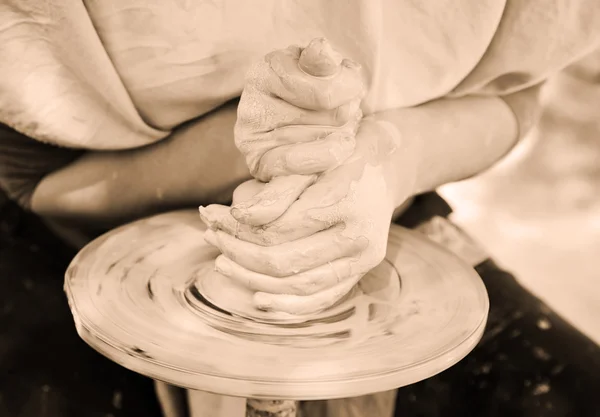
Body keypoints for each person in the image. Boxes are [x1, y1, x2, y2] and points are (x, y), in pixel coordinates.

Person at [1, 1, 599, 416]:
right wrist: (246, 154)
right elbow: (28, 178)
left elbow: (515, 93)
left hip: (379, 205)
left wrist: (388, 161)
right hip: (76, 206)